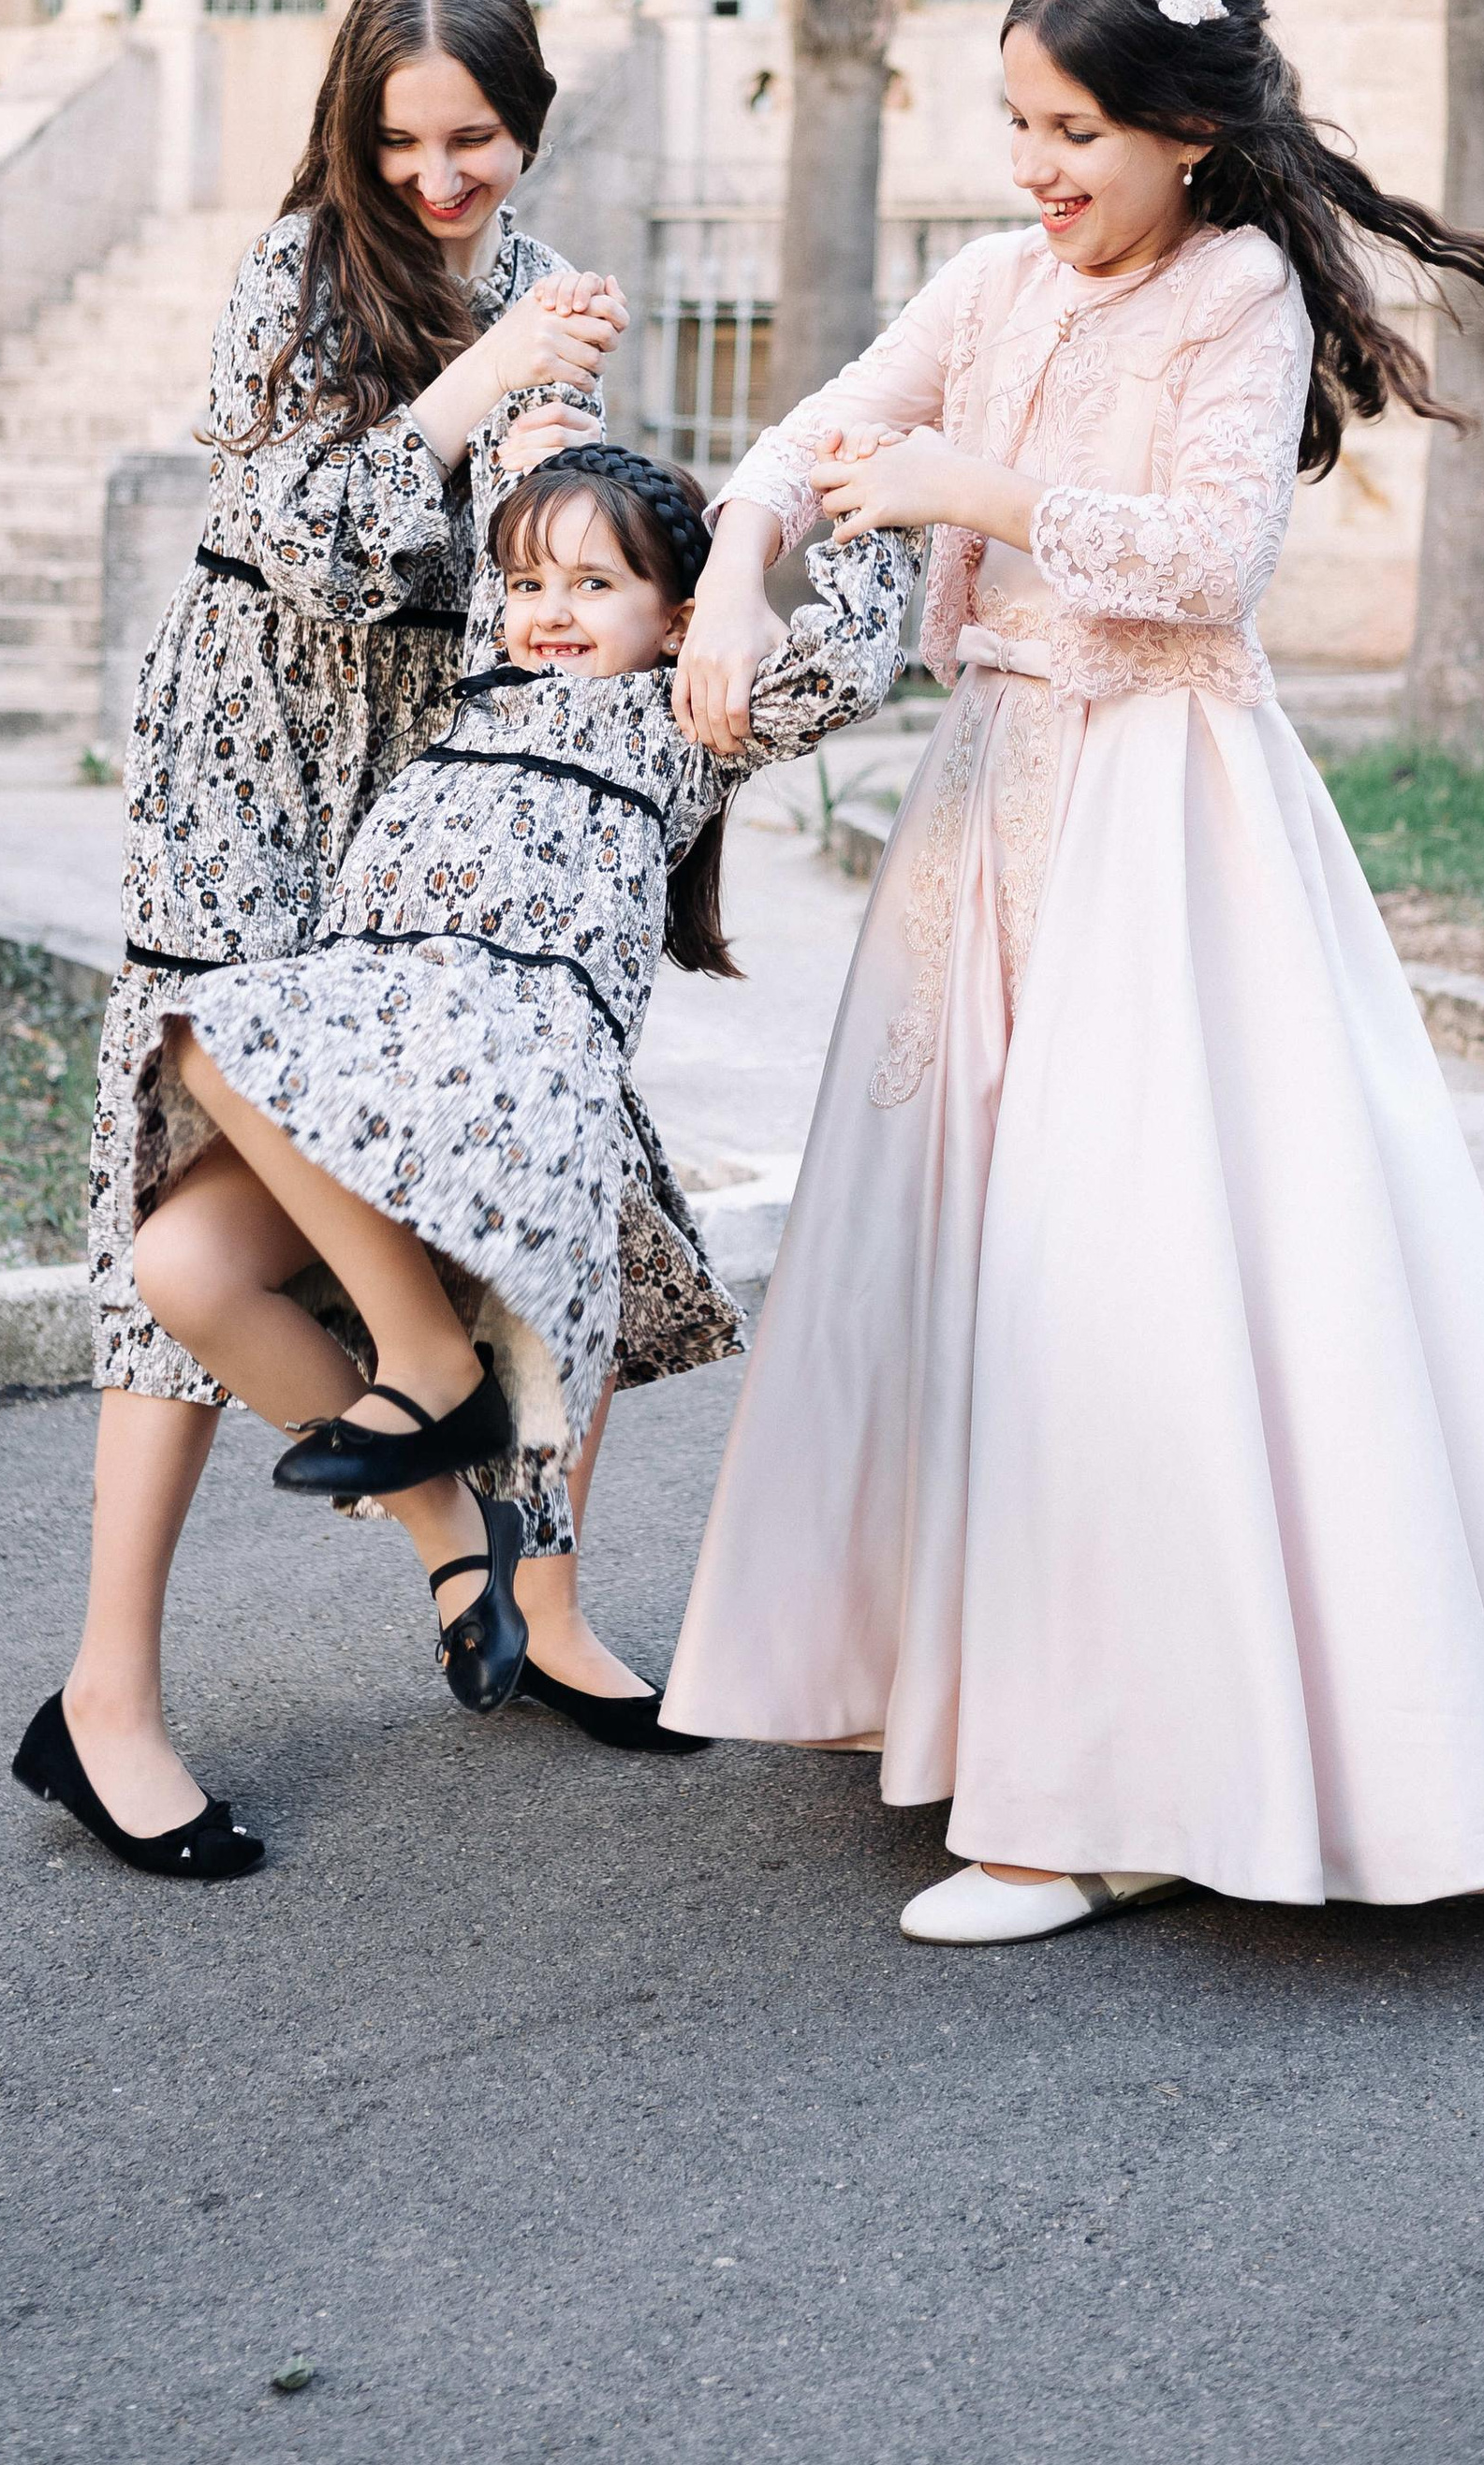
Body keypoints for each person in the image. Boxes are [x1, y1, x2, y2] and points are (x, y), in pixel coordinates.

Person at [661, 0, 1484, 1942]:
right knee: (964, 1256)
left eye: (1074, 132)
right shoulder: (989, 282)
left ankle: (1101, 1794)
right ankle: (948, 1696)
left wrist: (992, 486)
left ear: (1188, 135)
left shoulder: (1229, 295)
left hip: (1158, 810)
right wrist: (732, 566)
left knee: (1125, 1281)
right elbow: (802, 445)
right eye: (1019, 126)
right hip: (991, 812)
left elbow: (1207, 566)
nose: (1037, 169)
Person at [18, 0, 637, 1880]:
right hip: (245, 781)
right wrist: (477, 391)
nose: (441, 177)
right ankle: (115, 1692)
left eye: (474, 139)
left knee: (424, 1182)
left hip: (418, 796)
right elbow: (310, 543)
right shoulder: (295, 273)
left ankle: (514, 1595)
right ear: (348, 133)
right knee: (176, 1211)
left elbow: (541, 564)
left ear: (526, 118)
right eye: (402, 141)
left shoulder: (544, 291)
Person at [114, 441, 914, 1772]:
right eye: (527, 578)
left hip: (517, 1059)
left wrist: (865, 498)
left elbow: (846, 660)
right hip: (380, 1048)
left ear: (677, 618)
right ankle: (452, 1546)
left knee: (536, 1352)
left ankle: (540, 1606)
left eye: (595, 583)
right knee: (179, 1257)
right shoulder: (467, 700)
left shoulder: (685, 712)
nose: (549, 606)